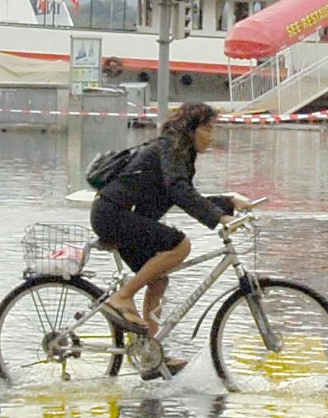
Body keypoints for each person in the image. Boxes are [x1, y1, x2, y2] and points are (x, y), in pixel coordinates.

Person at [90, 101, 249, 350]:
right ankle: (122, 297)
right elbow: (179, 191)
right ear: (191, 129)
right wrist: (219, 217)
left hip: (118, 216)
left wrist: (228, 203)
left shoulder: (178, 151)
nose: (212, 136)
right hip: (113, 216)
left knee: (158, 280)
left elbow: (182, 193)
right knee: (181, 245)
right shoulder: (170, 148)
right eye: (208, 129)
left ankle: (149, 352)